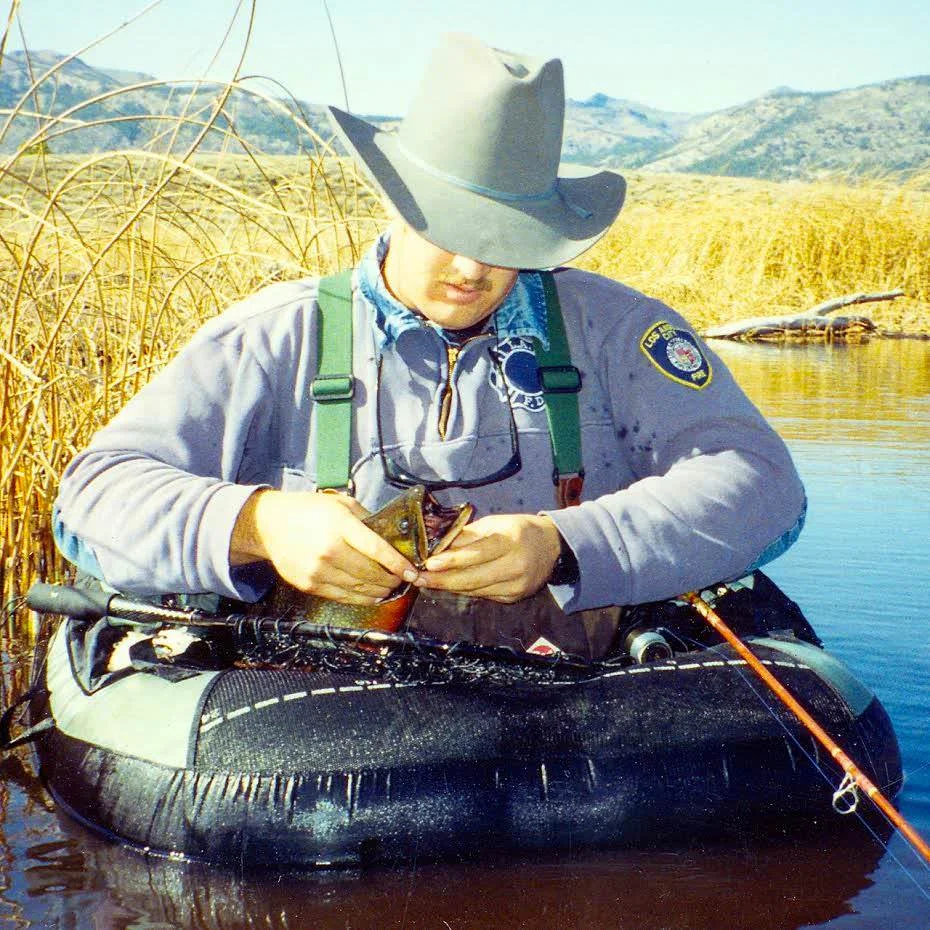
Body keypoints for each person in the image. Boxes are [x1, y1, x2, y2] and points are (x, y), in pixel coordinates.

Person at [52, 34, 806, 659]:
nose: (472, 268)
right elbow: (90, 503)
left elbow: (764, 485)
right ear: (394, 200)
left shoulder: (619, 331)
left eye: (506, 238)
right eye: (447, 228)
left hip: (574, 721)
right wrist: (259, 525)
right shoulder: (270, 337)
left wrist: (567, 543)